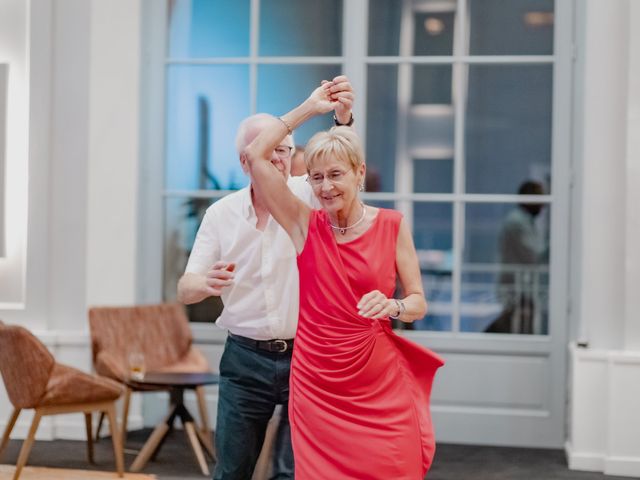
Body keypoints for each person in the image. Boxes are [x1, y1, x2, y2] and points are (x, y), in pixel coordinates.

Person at [243, 80, 445, 479]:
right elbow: (256, 154)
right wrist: (309, 107)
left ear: (359, 173)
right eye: (316, 178)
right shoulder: (304, 225)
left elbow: (418, 301)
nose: (325, 187)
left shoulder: (392, 225)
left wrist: (395, 306)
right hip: (317, 384)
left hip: (379, 382)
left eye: (335, 175)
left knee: (394, 467)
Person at [177, 76, 355, 480]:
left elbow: (343, 168)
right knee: (232, 471)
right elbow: (185, 289)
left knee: (296, 472)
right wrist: (203, 284)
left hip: (306, 356)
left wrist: (343, 121)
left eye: (286, 151)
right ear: (246, 161)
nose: (280, 160)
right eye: (270, 151)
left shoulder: (307, 197)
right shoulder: (220, 215)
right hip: (244, 359)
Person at [486, 180, 547, 334]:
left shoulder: (524, 221)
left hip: (521, 287)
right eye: (540, 200)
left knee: (514, 326)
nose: (543, 205)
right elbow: (534, 256)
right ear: (528, 199)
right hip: (517, 287)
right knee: (514, 329)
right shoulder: (517, 222)